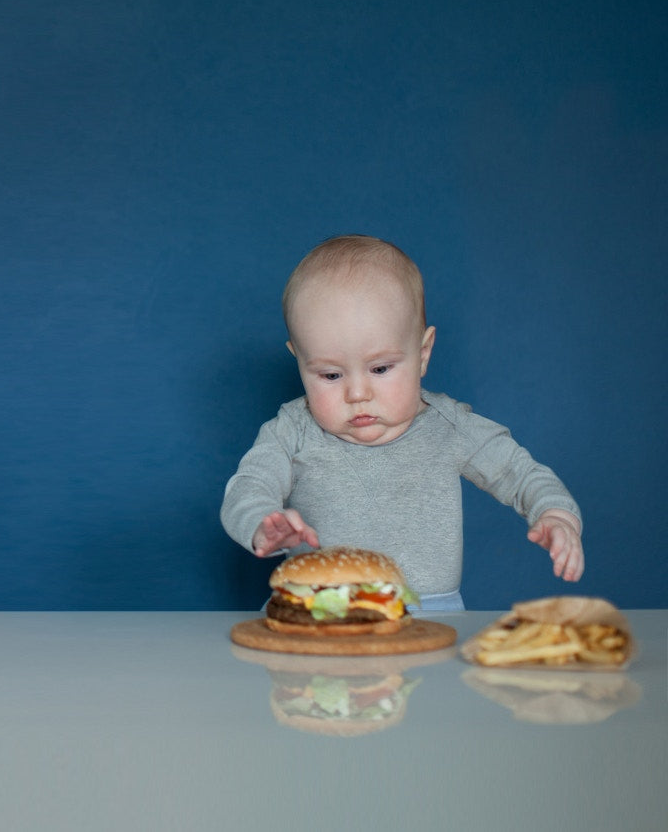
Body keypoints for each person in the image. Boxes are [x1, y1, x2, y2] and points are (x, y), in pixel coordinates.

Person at [220, 235, 582, 610]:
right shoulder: (291, 430)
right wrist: (262, 522)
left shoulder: (449, 427)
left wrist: (555, 513)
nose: (357, 393)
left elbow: (521, 473)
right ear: (299, 360)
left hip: (429, 610)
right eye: (330, 375)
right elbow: (248, 487)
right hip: (316, 609)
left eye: (380, 369)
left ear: (422, 354)